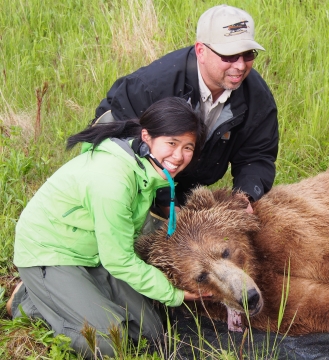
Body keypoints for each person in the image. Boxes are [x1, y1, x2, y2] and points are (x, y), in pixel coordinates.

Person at [7, 97, 209, 358]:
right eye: (171, 143)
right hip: (50, 252)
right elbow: (119, 260)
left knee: (151, 332)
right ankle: (30, 300)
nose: (179, 156)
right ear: (147, 137)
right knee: (106, 342)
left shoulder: (147, 170)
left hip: (94, 252)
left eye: (188, 147)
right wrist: (173, 294)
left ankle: (66, 295)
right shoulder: (113, 180)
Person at [93, 4, 278, 218]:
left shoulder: (257, 97)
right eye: (229, 56)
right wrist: (165, 204)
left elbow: (257, 155)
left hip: (186, 181)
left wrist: (244, 197)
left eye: (248, 54)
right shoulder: (150, 87)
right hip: (134, 178)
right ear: (201, 51)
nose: (240, 65)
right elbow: (125, 147)